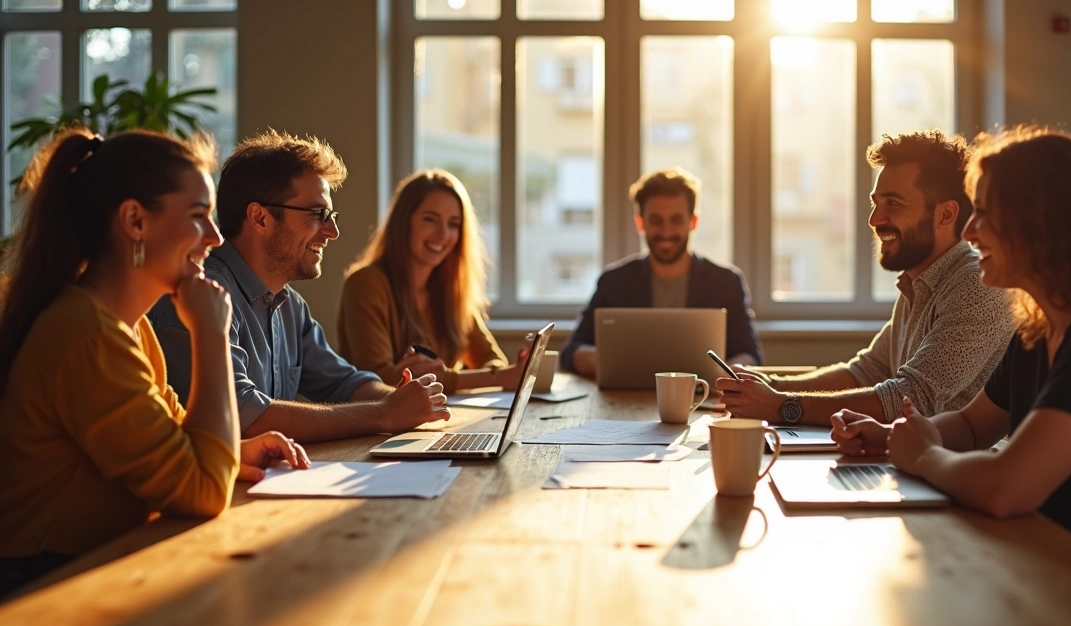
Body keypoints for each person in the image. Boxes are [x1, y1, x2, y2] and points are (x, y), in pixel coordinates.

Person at [832, 126, 1071, 612]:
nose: (969, 231)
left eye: (986, 213)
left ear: (1043, 224)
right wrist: (896, 435)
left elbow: (1006, 489)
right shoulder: (1038, 329)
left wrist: (922, 455)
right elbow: (973, 425)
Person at [0, 129, 309, 595]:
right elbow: (203, 491)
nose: (215, 237)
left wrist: (238, 450)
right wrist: (211, 333)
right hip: (45, 587)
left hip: (101, 565)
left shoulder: (128, 325)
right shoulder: (87, 334)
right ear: (135, 221)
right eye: (197, 217)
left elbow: (178, 437)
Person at [149, 130, 449, 443]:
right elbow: (243, 416)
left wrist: (409, 401)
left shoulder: (288, 304)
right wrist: (386, 413)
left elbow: (345, 383)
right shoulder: (199, 296)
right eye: (318, 214)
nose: (332, 231)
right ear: (260, 218)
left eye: (330, 215)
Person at [717, 130, 1014, 426]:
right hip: (918, 461)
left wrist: (781, 406)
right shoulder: (918, 284)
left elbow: (911, 399)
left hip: (957, 468)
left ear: (946, 214)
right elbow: (866, 371)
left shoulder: (976, 285)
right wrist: (770, 387)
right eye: (876, 203)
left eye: (893, 204)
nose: (874, 219)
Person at [337, 169, 528, 392]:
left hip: (444, 418)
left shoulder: (452, 290)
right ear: (403, 222)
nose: (443, 234)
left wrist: (491, 374)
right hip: (380, 425)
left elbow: (493, 361)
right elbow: (378, 380)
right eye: (430, 219)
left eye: (454, 224)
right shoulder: (366, 283)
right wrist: (493, 377)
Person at [560, 167, 762, 376]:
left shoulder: (727, 282)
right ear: (640, 222)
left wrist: (733, 373)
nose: (666, 232)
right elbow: (571, 352)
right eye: (656, 220)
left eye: (676, 220)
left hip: (703, 401)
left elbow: (749, 354)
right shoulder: (614, 282)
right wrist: (611, 363)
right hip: (624, 400)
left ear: (693, 222)